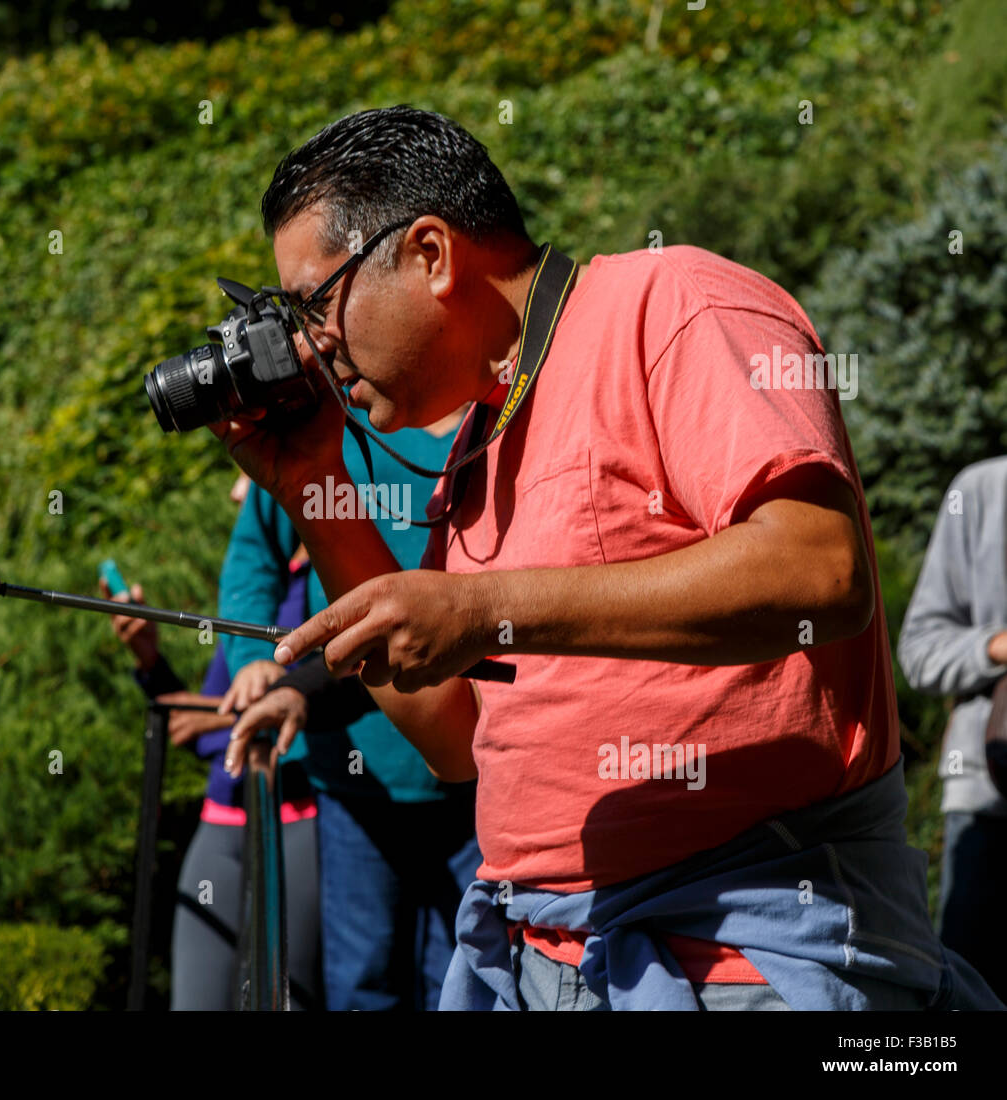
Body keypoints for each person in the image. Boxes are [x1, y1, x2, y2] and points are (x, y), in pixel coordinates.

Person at [215, 105, 1003, 1010]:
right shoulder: (482, 436)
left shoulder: (674, 302)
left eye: (317, 304)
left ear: (431, 253)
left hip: (743, 957)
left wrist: (487, 608)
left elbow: (820, 572)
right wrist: (315, 487)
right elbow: (453, 739)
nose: (309, 345)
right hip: (540, 955)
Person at [221, 404, 483, 1011]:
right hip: (356, 781)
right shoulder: (332, 427)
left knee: (460, 979)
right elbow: (253, 554)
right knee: (365, 981)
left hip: (477, 780)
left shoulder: (491, 419)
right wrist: (253, 657)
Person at [103, 471, 322, 1010]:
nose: (234, 493)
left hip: (297, 818)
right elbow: (196, 731)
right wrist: (149, 659)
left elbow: (325, 701)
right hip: (219, 822)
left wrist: (219, 718)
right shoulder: (245, 591)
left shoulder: (325, 584)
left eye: (247, 478)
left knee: (290, 999)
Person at [898, 456, 1007, 1001]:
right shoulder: (983, 490)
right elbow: (919, 651)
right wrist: (997, 645)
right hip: (988, 799)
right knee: (971, 989)